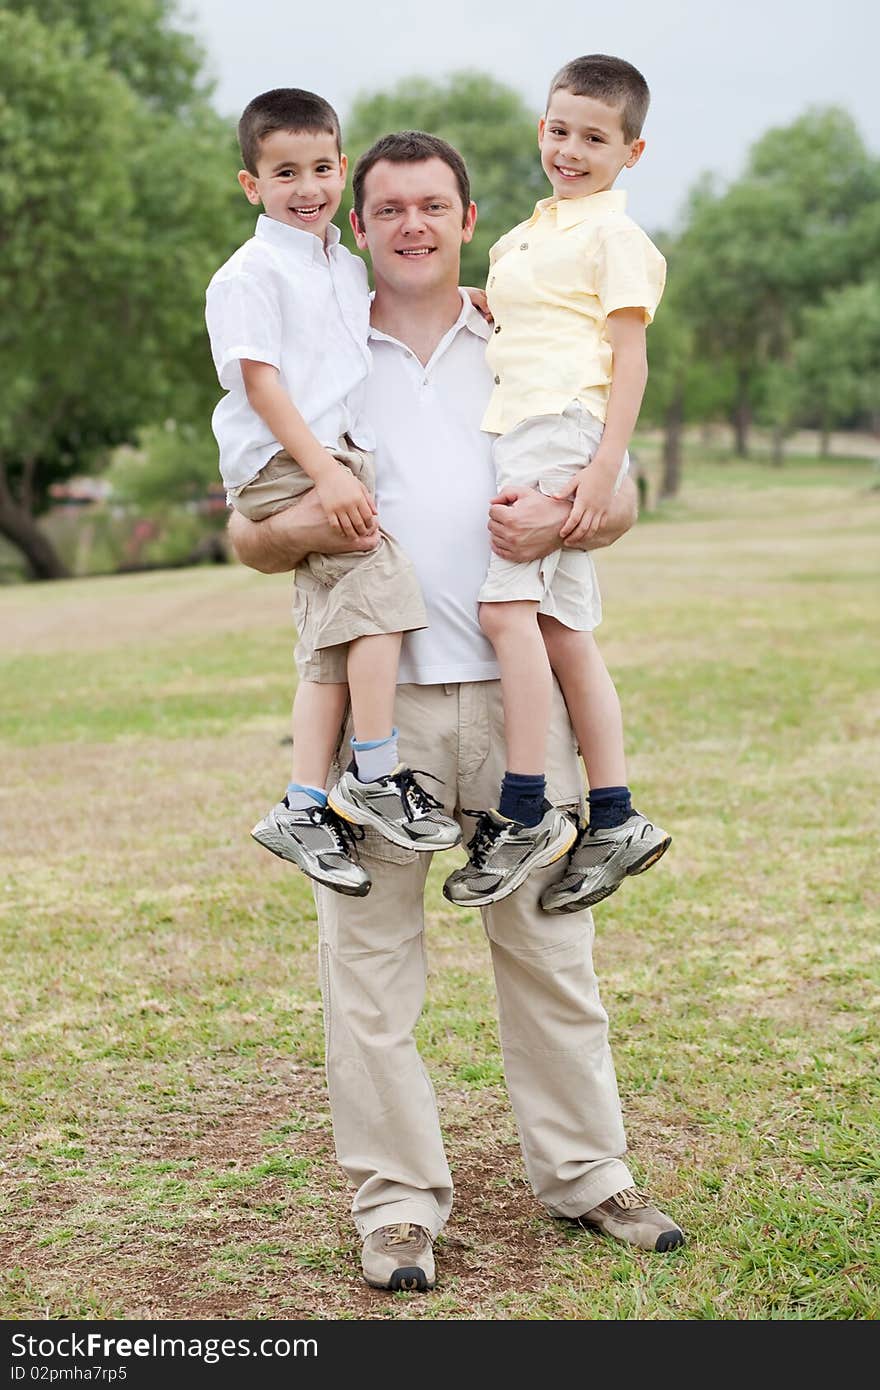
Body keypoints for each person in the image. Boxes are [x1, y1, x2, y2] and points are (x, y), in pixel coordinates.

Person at [229, 131, 685, 1292]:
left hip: (511, 699)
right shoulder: (318, 349)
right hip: (378, 718)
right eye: (390, 210)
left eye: (434, 206)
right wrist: (309, 523)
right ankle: (395, 1207)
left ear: (470, 218)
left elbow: (614, 491)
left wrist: (571, 519)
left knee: (547, 951)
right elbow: (245, 532)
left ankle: (588, 1175)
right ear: (358, 225)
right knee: (368, 972)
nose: (413, 225)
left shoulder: (523, 333)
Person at [205, 88, 461, 902]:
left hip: (329, 455)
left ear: (340, 168)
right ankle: (376, 774)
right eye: (285, 173)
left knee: (331, 642)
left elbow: (375, 320)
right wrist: (324, 472)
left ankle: (303, 802)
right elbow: (262, 383)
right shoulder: (251, 274)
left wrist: (478, 300)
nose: (307, 186)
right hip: (289, 458)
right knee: (386, 590)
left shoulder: (339, 266)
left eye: (321, 167)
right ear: (252, 185)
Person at [444, 55, 671, 915]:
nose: (571, 150)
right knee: (563, 629)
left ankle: (529, 807)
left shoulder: (617, 238)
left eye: (594, 138)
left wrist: (601, 473)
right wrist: (484, 302)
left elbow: (628, 357)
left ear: (631, 151)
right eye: (559, 129)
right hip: (526, 427)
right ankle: (615, 816)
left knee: (504, 611)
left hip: (563, 431)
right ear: (542, 127)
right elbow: (535, 316)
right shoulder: (524, 237)